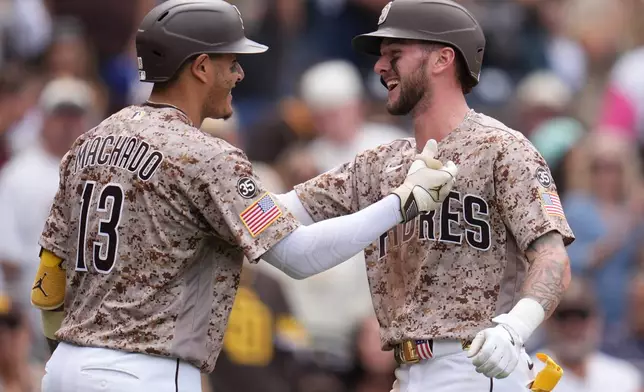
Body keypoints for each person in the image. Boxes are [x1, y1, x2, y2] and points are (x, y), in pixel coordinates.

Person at [30, 1, 458, 391]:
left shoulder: (89, 142)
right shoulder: (207, 153)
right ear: (200, 67)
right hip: (142, 373)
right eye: (231, 61)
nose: (239, 74)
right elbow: (298, 256)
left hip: (65, 367)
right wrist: (401, 203)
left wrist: (70, 360)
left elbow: (49, 281)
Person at [277, 0, 575, 391]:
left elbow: (554, 260)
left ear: (442, 59)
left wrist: (513, 328)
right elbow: (275, 213)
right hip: (406, 370)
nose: (380, 68)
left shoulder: (502, 149)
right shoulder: (378, 163)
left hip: (479, 365)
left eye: (395, 55)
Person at [531, 278, 643, 392]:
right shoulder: (527, 377)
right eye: (563, 316)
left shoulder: (625, 379)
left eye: (582, 315)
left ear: (597, 319)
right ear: (547, 321)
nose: (573, 327)